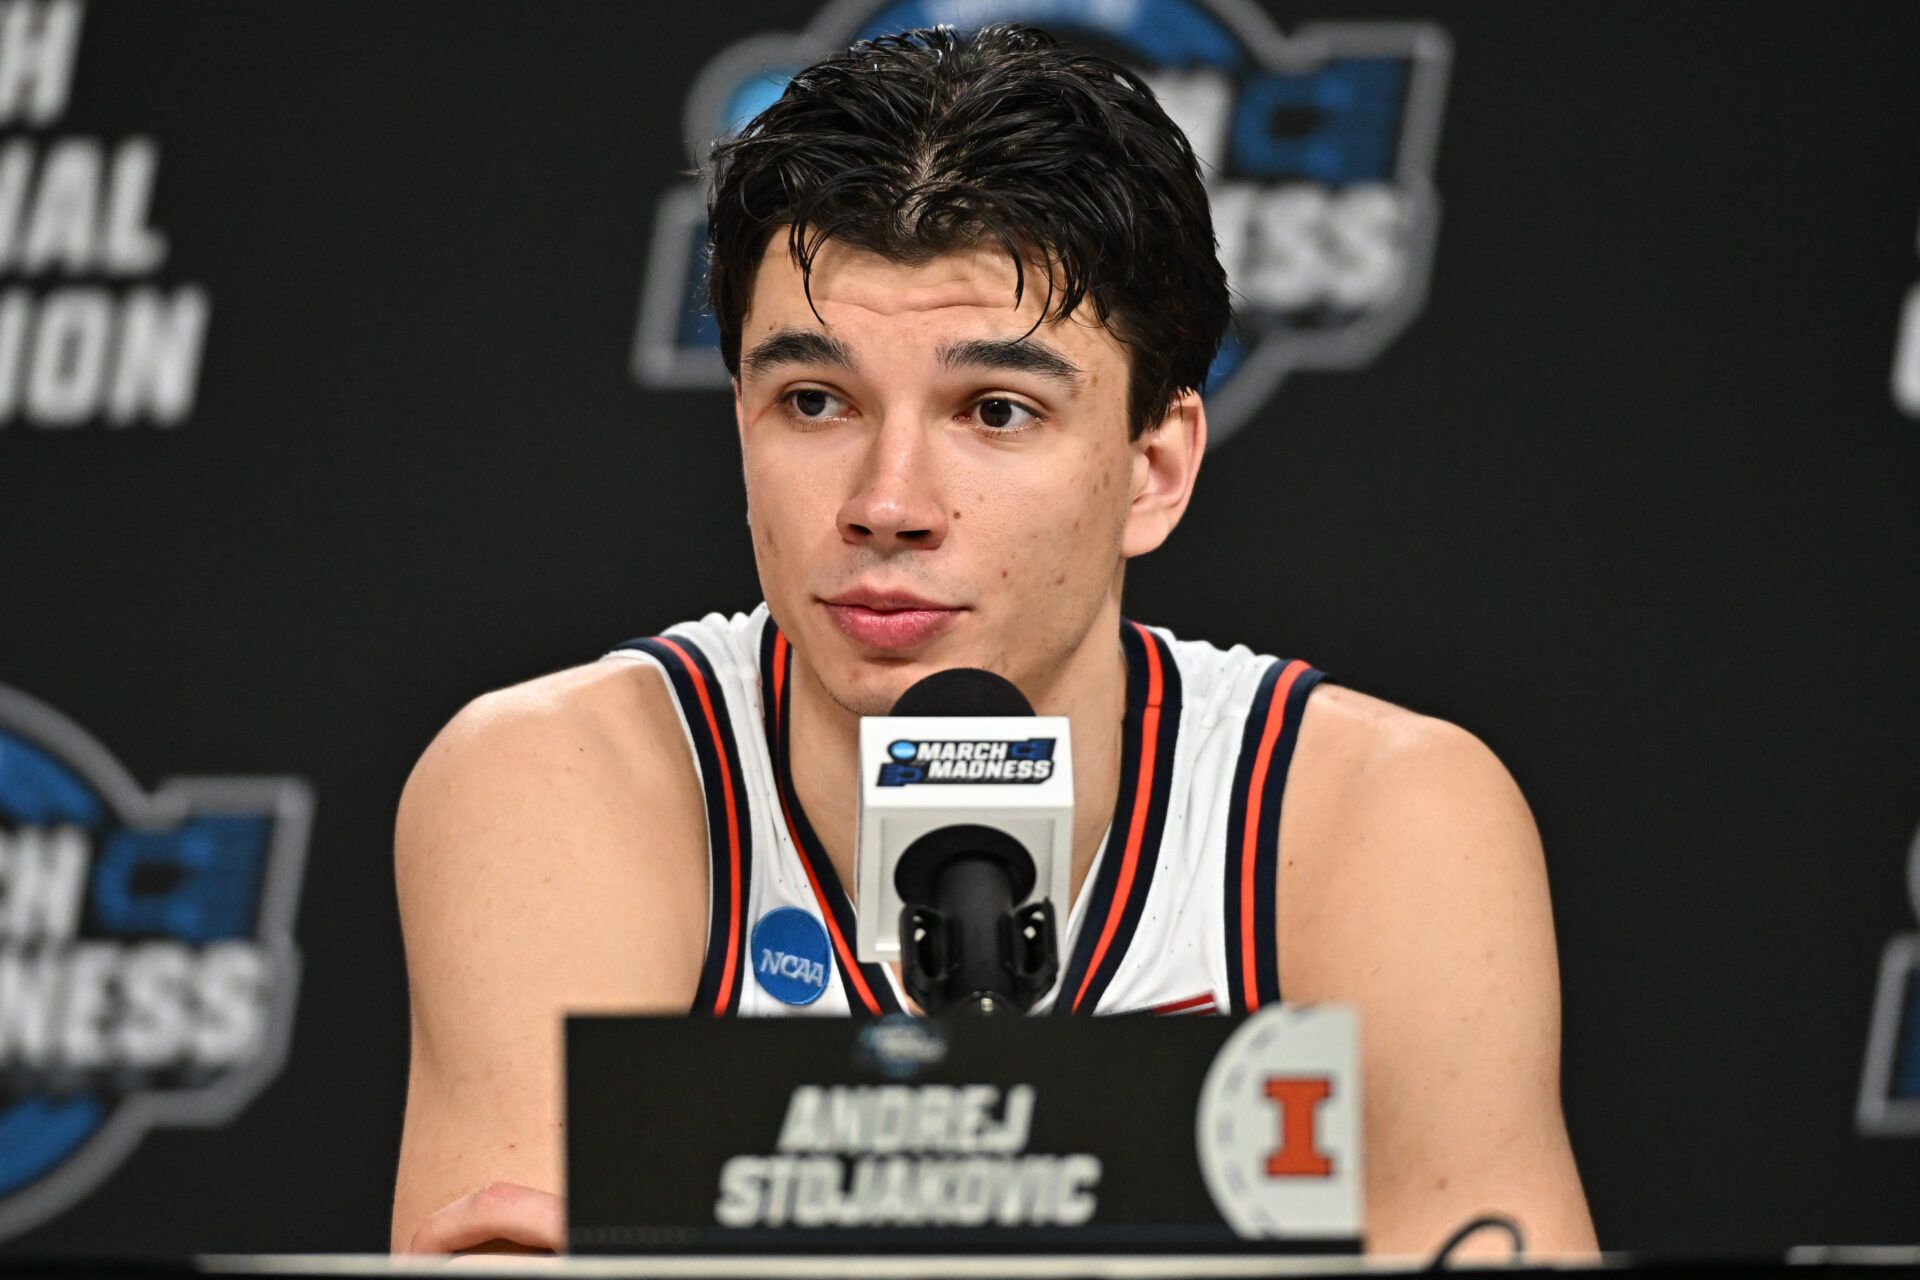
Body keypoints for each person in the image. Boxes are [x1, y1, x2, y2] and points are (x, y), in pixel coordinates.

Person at [390, 24, 1596, 1259]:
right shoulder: (558, 784)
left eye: (996, 410)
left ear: (1154, 467)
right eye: (816, 400)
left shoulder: (1378, 819)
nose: (889, 499)